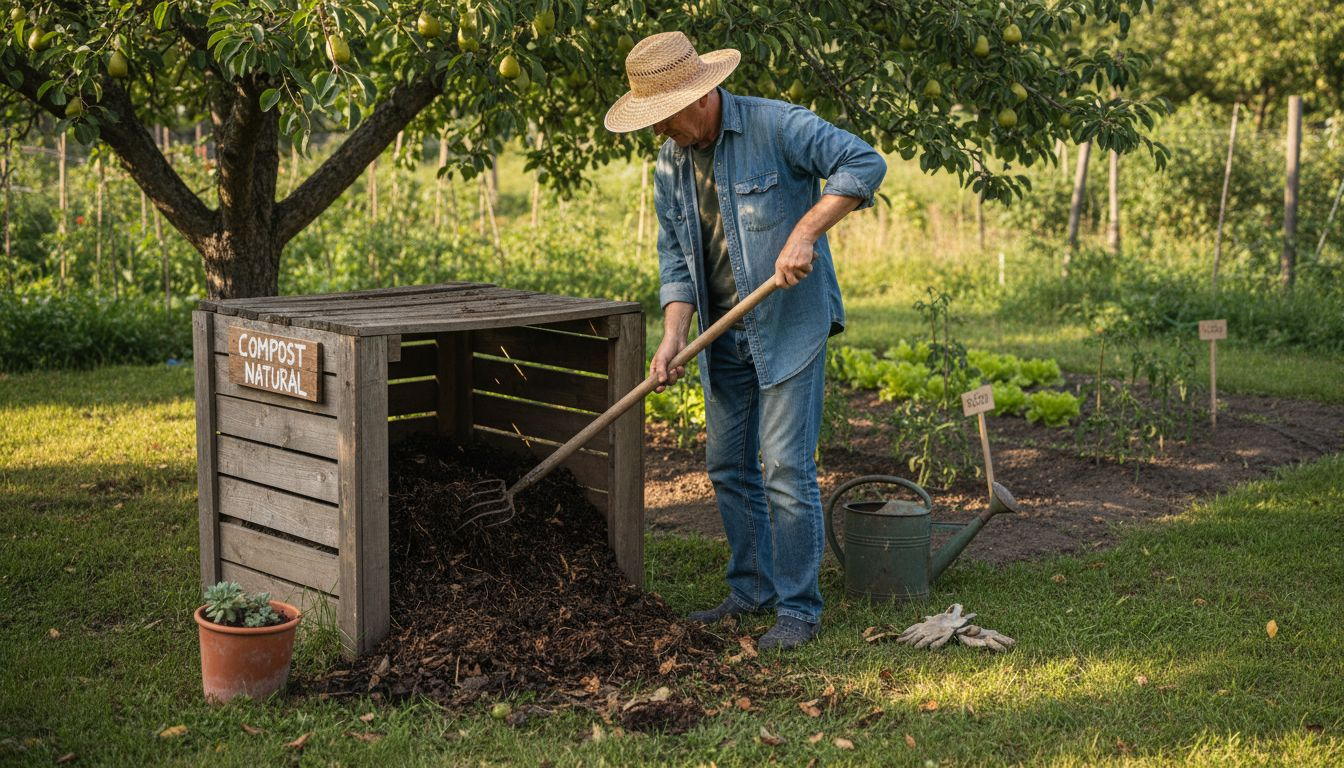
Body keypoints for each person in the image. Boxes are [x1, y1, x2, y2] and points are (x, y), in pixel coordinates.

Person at [604, 31, 886, 650]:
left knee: (784, 468)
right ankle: (752, 588)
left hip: (786, 327)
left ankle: (798, 608)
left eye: (663, 119)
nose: (659, 132)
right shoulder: (670, 162)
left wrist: (806, 231)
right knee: (728, 465)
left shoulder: (777, 126)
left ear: (698, 98)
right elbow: (677, 262)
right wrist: (673, 337)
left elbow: (864, 163)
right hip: (719, 335)